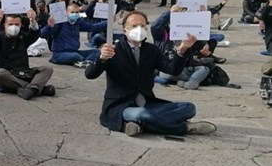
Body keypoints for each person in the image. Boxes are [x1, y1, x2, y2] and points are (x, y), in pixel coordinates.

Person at [85, 11, 216, 136]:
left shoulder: (151, 50)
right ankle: (185, 127)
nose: (139, 28)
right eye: (134, 26)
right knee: (142, 114)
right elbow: (90, 74)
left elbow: (172, 70)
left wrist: (182, 51)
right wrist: (101, 58)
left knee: (189, 108)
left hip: (147, 102)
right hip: (121, 105)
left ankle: (137, 126)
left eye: (142, 25)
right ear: (125, 30)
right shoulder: (113, 50)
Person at [0, 9, 56, 99]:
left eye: (16, 24)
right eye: (10, 24)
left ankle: (29, 89)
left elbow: (34, 35)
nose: (14, 27)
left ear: (21, 25)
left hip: (22, 73)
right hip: (6, 75)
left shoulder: (23, 36)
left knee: (47, 69)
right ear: (5, 25)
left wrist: (32, 20)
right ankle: (36, 89)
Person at [41, 3, 107, 66]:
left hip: (74, 51)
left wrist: (108, 21)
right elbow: (42, 34)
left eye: (77, 12)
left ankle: (84, 61)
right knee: (76, 56)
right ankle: (84, 61)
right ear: (66, 13)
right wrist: (49, 26)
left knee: (96, 52)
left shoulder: (78, 22)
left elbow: (93, 27)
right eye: (72, 12)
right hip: (59, 54)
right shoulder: (59, 23)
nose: (75, 14)